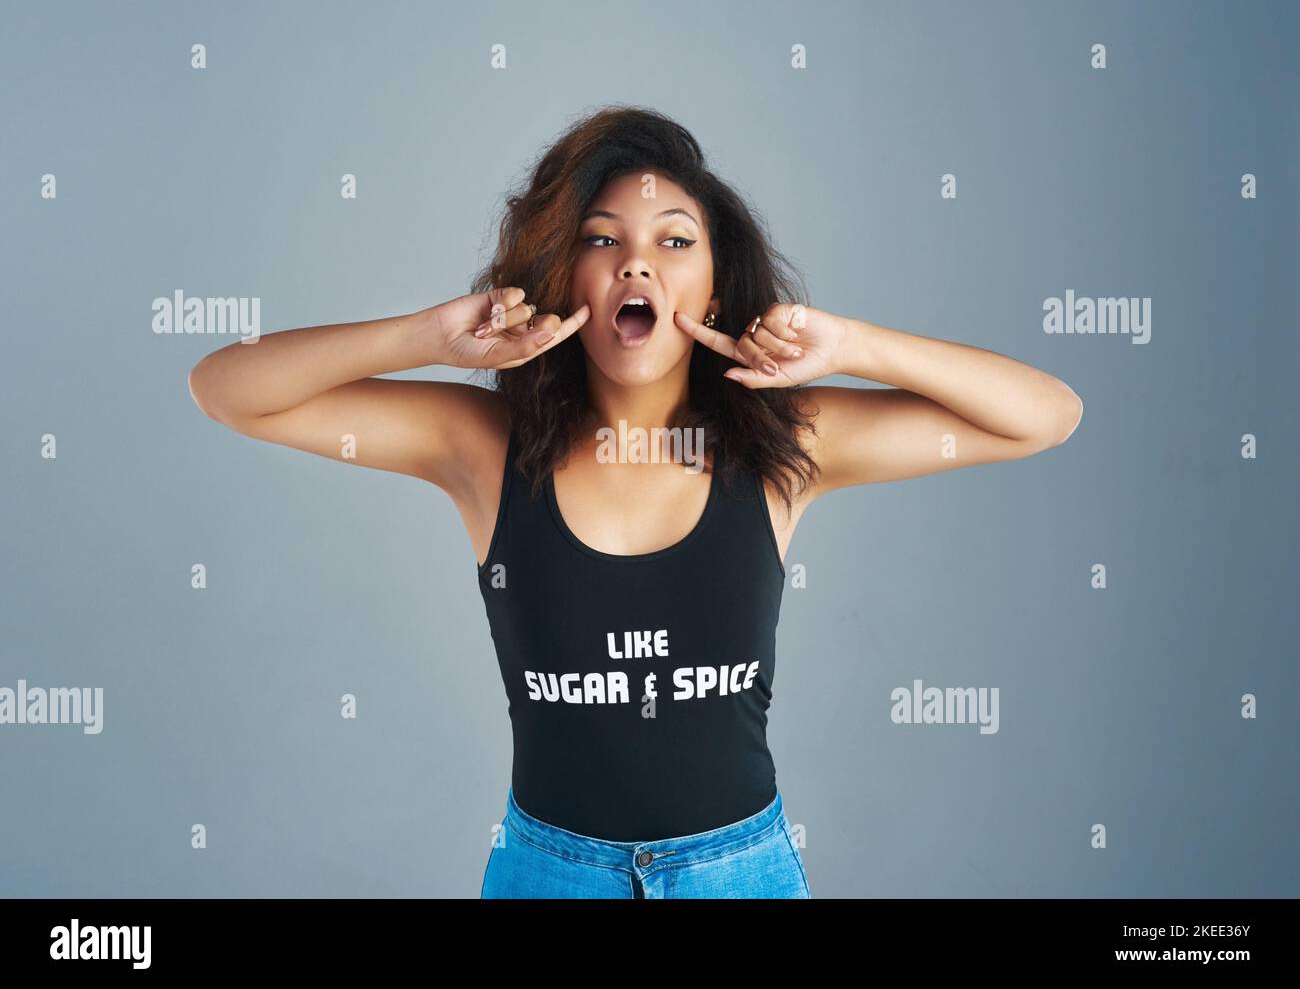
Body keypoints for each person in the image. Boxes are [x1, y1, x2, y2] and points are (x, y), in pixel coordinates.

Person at [187, 105, 1082, 899]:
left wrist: (849, 343)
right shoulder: (480, 443)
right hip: (548, 872)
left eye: (674, 241)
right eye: (602, 239)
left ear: (717, 287)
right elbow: (228, 388)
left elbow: (1046, 416)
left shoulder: (785, 443)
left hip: (741, 873)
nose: (636, 266)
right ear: (563, 274)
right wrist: (427, 335)